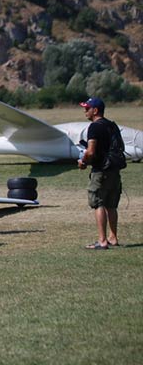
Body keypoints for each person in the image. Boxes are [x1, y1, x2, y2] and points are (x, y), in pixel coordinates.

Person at [77, 97, 123, 250]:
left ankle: (102, 241)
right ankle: (113, 237)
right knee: (111, 205)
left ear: (95, 110)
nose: (85, 111)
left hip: (100, 171)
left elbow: (90, 151)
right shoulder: (112, 126)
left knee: (98, 204)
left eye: (87, 108)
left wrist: (83, 162)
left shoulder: (94, 127)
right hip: (114, 171)